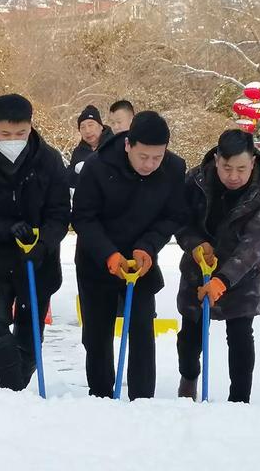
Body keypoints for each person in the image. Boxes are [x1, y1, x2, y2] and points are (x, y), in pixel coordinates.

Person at [0, 94, 70, 391]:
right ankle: (12, 390)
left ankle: (15, 389)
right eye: (6, 134)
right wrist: (4, 228)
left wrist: (42, 243)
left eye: (21, 133)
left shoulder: (49, 160)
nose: (13, 139)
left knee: (30, 332)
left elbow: (60, 213)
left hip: (38, 262)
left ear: (31, 127)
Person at [72, 111, 186, 400]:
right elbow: (83, 217)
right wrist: (109, 254)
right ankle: (100, 397)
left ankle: (142, 400)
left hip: (141, 261)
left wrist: (148, 246)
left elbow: (172, 216)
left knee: (141, 332)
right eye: (143, 156)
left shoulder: (173, 168)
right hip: (98, 260)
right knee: (97, 336)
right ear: (128, 145)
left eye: (157, 157)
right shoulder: (98, 166)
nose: (150, 164)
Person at [176, 129, 260, 403]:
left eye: (241, 168)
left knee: (240, 336)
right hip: (198, 268)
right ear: (216, 160)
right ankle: (189, 378)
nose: (233, 176)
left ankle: (239, 400)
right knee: (190, 338)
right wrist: (194, 245)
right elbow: (182, 222)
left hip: (241, 276)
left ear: (253, 162)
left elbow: (256, 242)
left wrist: (223, 280)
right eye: (227, 167)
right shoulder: (196, 181)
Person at [67, 105, 113, 189]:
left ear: (101, 126)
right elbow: (69, 180)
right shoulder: (78, 152)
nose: (87, 131)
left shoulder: (113, 145)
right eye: (82, 127)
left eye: (91, 125)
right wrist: (78, 173)